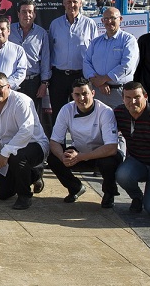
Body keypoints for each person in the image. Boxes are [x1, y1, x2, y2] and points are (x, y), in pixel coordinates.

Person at [47, 78, 120, 208]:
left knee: (108, 162)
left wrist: (80, 156)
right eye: (77, 94)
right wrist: (62, 156)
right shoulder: (66, 110)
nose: (81, 98)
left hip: (102, 153)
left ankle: (109, 193)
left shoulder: (105, 111)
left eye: (85, 93)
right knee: (53, 159)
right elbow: (54, 141)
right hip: (79, 151)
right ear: (72, 95)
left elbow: (111, 148)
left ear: (92, 93)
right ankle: (75, 187)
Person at [0, 72, 49, 210]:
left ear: (8, 86)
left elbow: (26, 131)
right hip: (9, 152)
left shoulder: (21, 101)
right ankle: (34, 174)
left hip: (34, 145)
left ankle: (25, 196)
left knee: (17, 157)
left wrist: (5, 153)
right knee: (2, 194)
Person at [114, 81, 150, 214]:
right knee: (122, 175)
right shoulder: (119, 113)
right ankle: (137, 197)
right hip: (137, 160)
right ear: (123, 98)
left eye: (137, 97)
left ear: (145, 96)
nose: (132, 101)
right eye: (128, 98)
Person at [48, 0, 98, 126]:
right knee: (58, 115)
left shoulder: (90, 25)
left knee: (82, 113)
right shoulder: (55, 24)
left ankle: (80, 146)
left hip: (81, 76)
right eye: (69, 1)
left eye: (75, 2)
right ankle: (59, 146)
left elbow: (95, 53)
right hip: (59, 77)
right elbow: (50, 51)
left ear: (81, 3)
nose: (72, 5)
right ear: (63, 3)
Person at [84, 7, 139, 108]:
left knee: (121, 121)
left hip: (120, 92)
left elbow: (127, 65)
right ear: (102, 21)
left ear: (120, 19)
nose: (109, 22)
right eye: (106, 19)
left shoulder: (128, 40)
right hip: (97, 91)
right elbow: (86, 62)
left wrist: (104, 79)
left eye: (113, 18)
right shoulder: (96, 42)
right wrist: (98, 82)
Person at [9, 0, 51, 105]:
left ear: (34, 14)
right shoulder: (8, 31)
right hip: (12, 81)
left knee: (32, 116)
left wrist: (44, 83)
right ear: (18, 14)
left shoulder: (41, 33)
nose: (27, 15)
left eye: (30, 12)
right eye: (23, 11)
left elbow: (46, 59)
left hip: (33, 82)